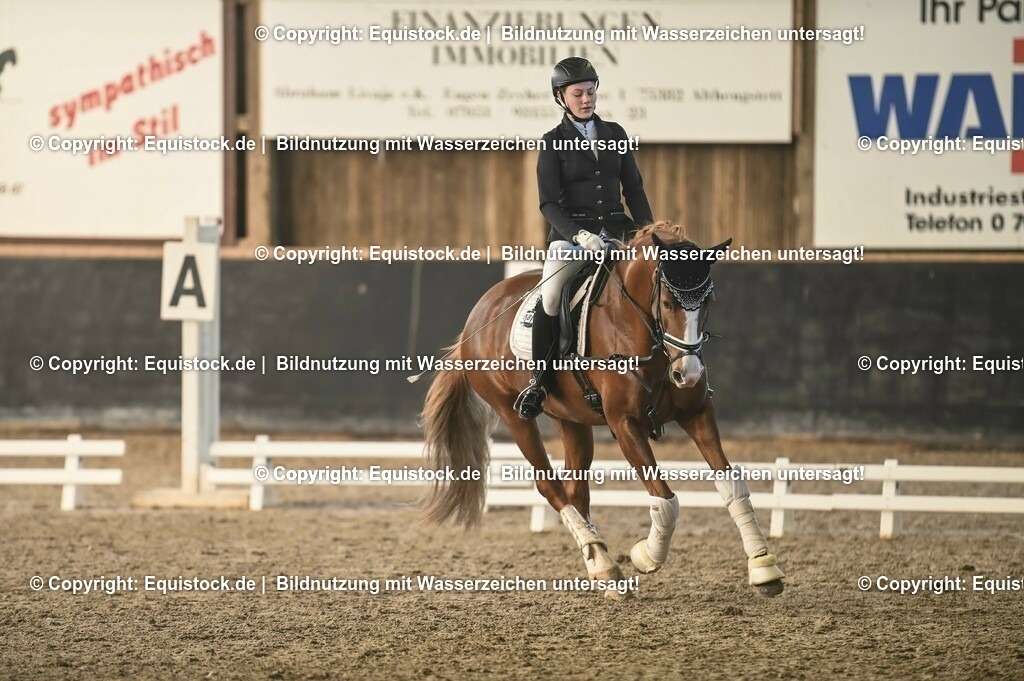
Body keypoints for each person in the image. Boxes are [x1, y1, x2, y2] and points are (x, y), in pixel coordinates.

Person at [514, 56, 655, 420]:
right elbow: (548, 203)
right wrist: (578, 235)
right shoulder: (552, 143)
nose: (586, 99)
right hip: (571, 236)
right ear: (560, 97)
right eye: (578, 93)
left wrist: (649, 233)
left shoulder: (615, 134)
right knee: (551, 295)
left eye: (591, 92)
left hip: (618, 231)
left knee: (659, 284)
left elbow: (634, 189)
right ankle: (539, 382)